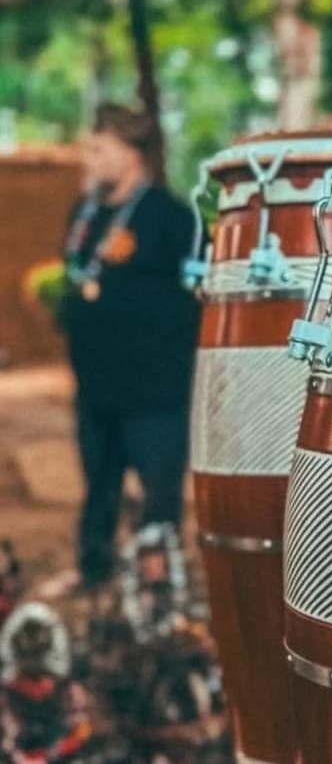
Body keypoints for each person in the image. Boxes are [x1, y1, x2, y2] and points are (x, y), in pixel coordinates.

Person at [59, 105, 199, 591]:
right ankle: (93, 576)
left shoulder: (171, 217)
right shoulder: (86, 213)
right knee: (98, 488)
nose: (88, 157)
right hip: (96, 390)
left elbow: (193, 298)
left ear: (131, 153)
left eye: (99, 148)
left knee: (158, 495)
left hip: (153, 393)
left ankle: (157, 591)